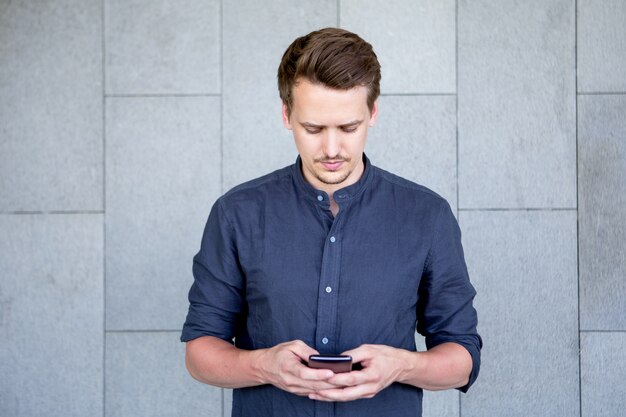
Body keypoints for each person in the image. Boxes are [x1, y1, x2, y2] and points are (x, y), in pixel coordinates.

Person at [181, 27, 481, 417]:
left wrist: (402, 366)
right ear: (287, 116)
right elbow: (199, 353)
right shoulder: (236, 213)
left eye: (349, 128)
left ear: (372, 113)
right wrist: (264, 366)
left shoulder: (427, 215)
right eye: (314, 129)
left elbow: (463, 357)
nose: (332, 149)